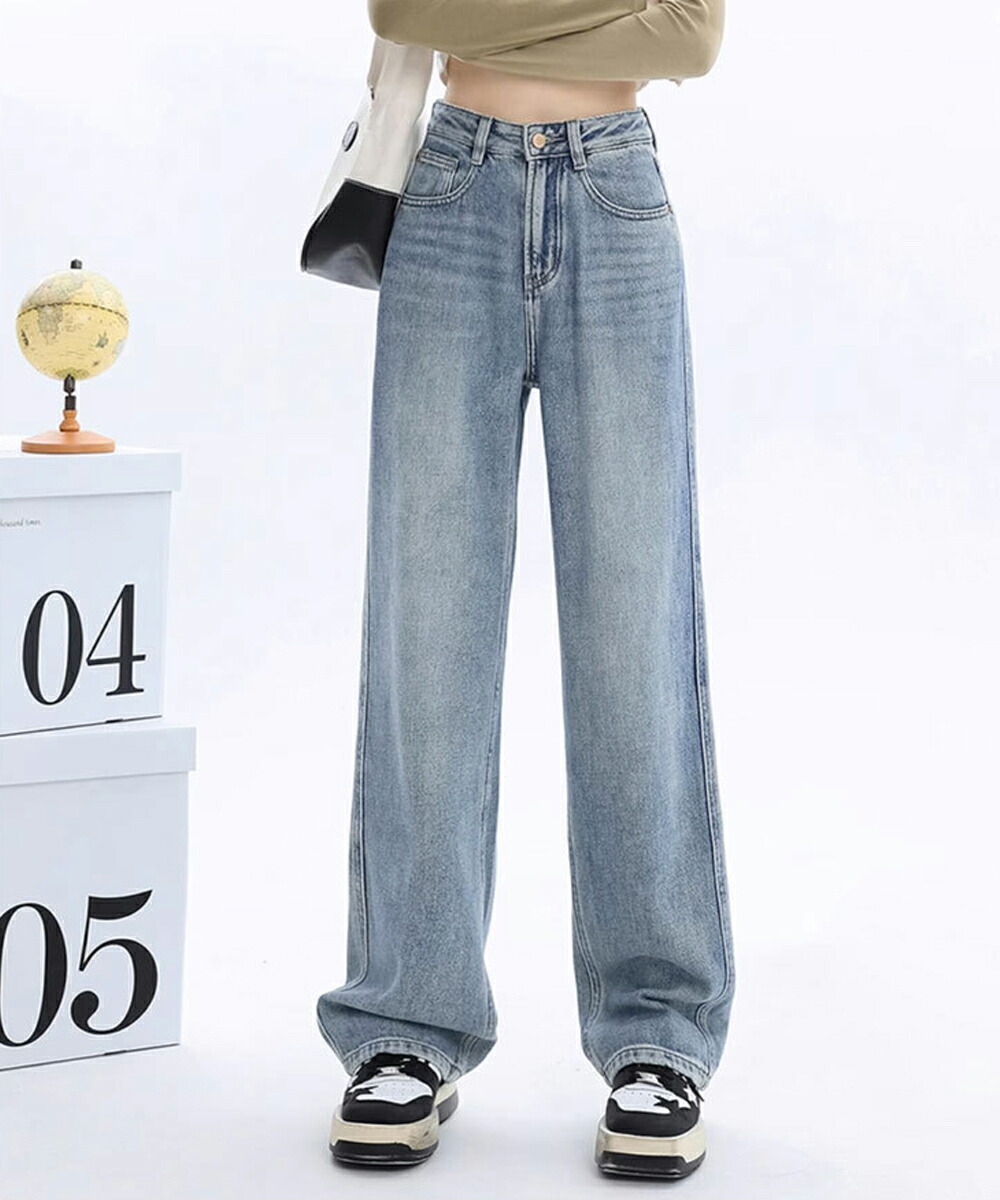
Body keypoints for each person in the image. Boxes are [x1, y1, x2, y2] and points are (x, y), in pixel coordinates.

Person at [316, 0, 735, 1181]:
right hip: (450, 194)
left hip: (616, 197)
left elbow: (688, 40)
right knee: (427, 632)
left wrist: (498, 19)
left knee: (634, 637)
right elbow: (406, 10)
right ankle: (406, 1021)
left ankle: (657, 1038)